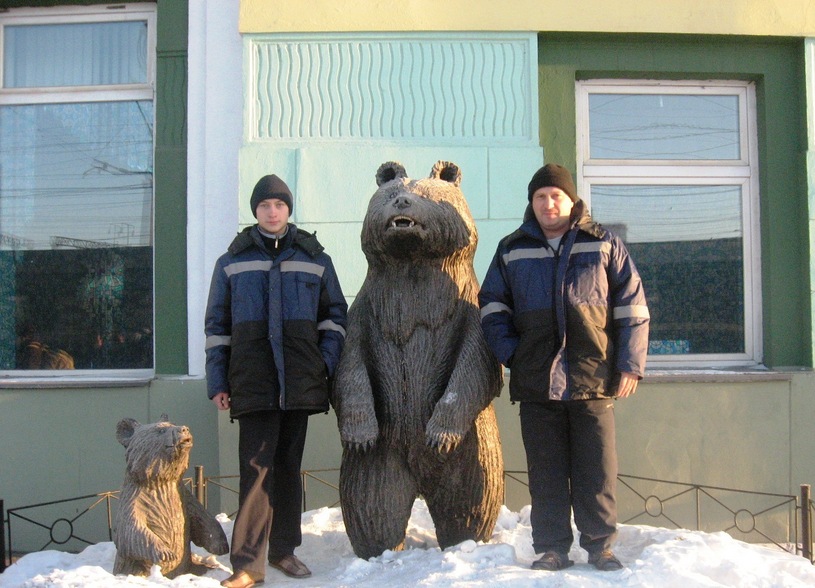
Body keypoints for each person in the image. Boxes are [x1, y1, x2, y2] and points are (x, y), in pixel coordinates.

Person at [478, 163, 649, 572]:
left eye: (556, 195)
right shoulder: (511, 249)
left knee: (597, 471)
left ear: (572, 201)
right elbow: (492, 308)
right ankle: (552, 547)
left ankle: (600, 546)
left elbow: (633, 307)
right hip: (537, 382)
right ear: (532, 203)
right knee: (546, 473)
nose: (548, 203)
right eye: (540, 196)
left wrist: (629, 364)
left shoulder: (604, 243)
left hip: (594, 378)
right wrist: (514, 356)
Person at [205, 174, 348, 588]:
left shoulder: (314, 258)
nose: (272, 211)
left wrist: (323, 364)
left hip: (300, 381)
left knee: (288, 468)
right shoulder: (231, 262)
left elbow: (335, 317)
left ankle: (284, 551)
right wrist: (218, 379)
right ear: (255, 211)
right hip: (252, 380)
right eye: (265, 205)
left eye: (279, 205)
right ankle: (248, 565)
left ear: (288, 210)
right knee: (255, 470)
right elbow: (217, 326)